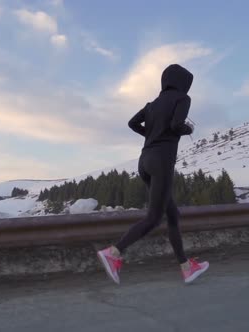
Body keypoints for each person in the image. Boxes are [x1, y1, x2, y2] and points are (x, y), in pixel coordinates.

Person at [97, 64, 209, 285]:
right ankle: (114, 252)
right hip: (162, 161)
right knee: (154, 218)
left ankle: (186, 268)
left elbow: (132, 123)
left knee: (172, 215)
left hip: (144, 161)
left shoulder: (152, 104)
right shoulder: (182, 99)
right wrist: (188, 130)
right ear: (183, 82)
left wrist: (149, 133)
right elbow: (177, 125)